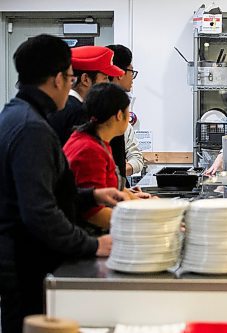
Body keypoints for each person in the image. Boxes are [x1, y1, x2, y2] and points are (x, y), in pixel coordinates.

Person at [0, 34, 126, 333]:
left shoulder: (15, 116)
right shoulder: (32, 128)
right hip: (24, 263)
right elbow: (40, 212)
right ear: (58, 79)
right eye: (70, 78)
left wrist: (91, 194)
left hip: (19, 257)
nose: (71, 85)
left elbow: (42, 192)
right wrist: (93, 244)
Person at [64, 83, 133, 233]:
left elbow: (108, 187)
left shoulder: (98, 141)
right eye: (128, 112)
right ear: (119, 115)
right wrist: (145, 222)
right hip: (89, 237)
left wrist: (138, 201)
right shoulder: (89, 150)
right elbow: (93, 214)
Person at [47, 46, 124, 145]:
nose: (108, 83)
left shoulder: (59, 106)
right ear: (85, 79)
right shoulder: (78, 112)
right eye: (105, 78)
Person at [106, 44, 144, 177]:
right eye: (131, 72)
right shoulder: (91, 115)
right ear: (120, 73)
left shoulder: (120, 113)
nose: (132, 78)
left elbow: (137, 158)